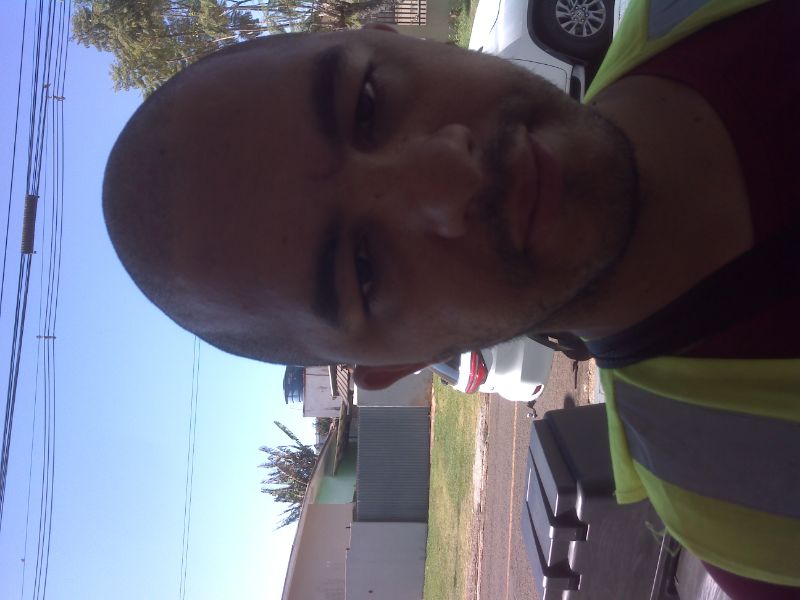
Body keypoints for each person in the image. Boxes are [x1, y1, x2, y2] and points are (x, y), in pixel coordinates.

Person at [102, 0, 799, 597]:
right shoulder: (752, 515)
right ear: (399, 361)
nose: (451, 177)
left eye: (368, 103)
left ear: (397, 40)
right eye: (364, 270)